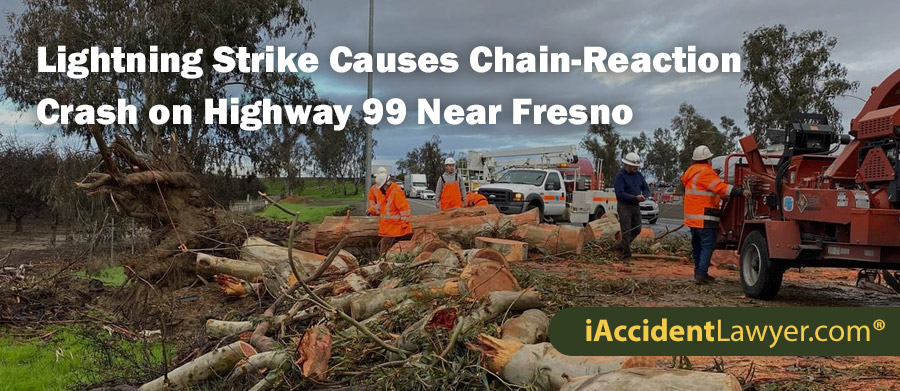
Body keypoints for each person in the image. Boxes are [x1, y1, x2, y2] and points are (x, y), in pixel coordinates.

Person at [682, 145, 746, 285]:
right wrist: (738, 191)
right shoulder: (706, 173)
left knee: (697, 246)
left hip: (693, 218)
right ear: (708, 159)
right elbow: (720, 187)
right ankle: (701, 274)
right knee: (707, 246)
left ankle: (698, 272)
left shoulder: (691, 172)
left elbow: (706, 188)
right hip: (706, 216)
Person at [613, 152, 650, 261]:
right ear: (627, 165)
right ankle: (626, 256)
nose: (636, 168)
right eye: (634, 166)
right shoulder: (620, 176)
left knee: (637, 229)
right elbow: (620, 194)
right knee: (626, 230)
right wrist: (635, 198)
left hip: (635, 206)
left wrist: (644, 196)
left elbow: (646, 188)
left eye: (637, 166)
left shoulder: (639, 175)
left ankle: (621, 247)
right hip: (624, 206)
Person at [372, 167, 412, 252]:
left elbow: (404, 209)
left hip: (396, 231)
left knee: (386, 253)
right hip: (389, 230)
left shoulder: (396, 192)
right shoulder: (388, 193)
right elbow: (381, 207)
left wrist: (404, 225)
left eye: (382, 187)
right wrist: (372, 210)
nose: (382, 190)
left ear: (386, 184)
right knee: (385, 253)